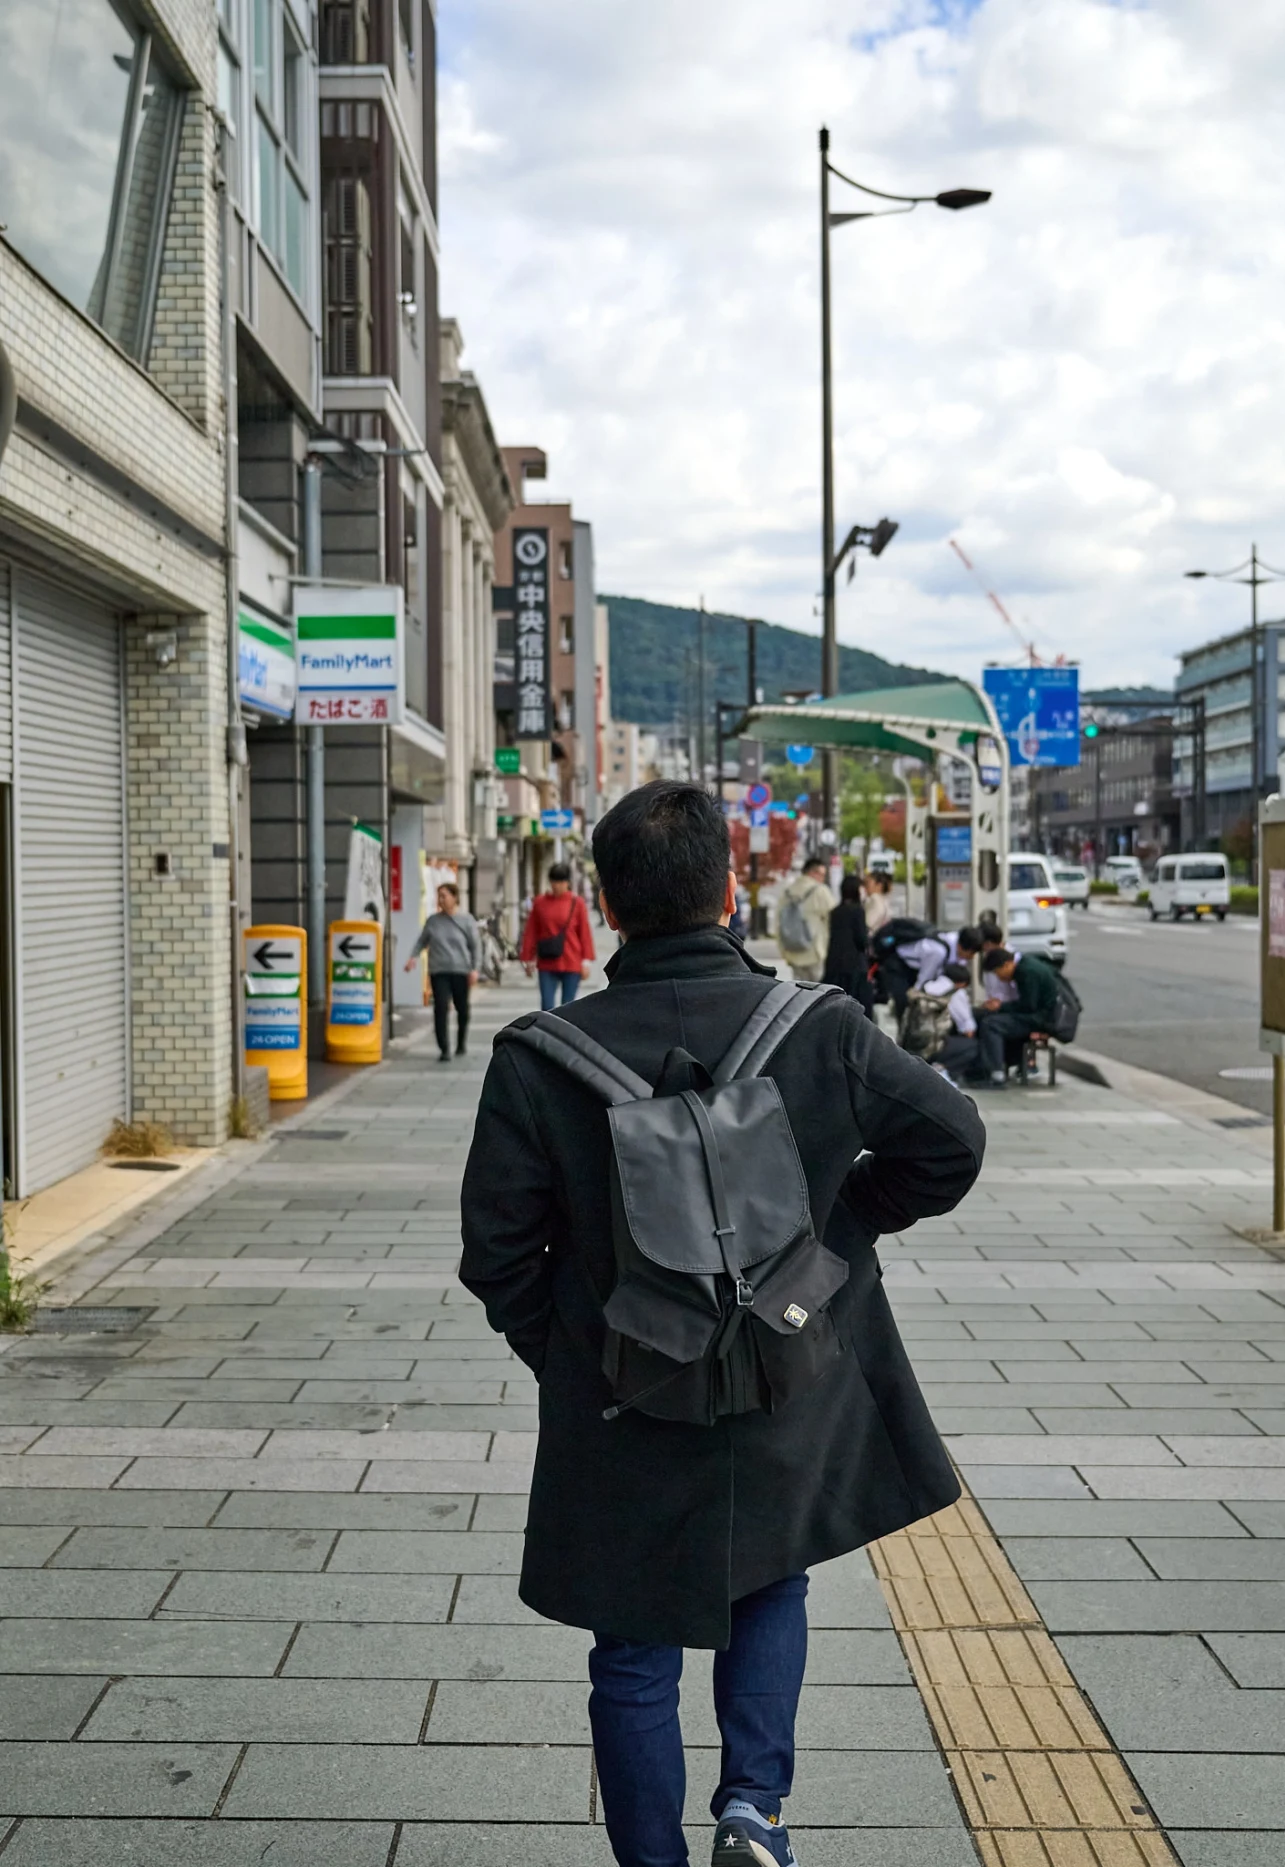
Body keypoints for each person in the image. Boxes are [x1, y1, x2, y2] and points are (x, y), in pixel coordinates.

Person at [459, 780, 985, 1867]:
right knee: (770, 1578)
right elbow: (951, 1141)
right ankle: (753, 1810)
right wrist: (831, 1240)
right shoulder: (819, 1026)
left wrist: (577, 1352)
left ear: (606, 904)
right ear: (730, 889)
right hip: (784, 1371)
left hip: (623, 1393)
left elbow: (497, 1256)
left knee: (632, 1648)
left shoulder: (535, 1061)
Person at [403, 881, 481, 1062]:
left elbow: (475, 946)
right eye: (439, 896)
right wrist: (412, 957)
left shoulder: (466, 920)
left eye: (444, 896)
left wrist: (475, 969)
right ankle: (444, 1047)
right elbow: (421, 941)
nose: (441, 900)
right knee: (440, 1007)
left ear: (455, 898)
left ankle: (461, 1043)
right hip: (439, 971)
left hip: (460, 970)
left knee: (462, 1008)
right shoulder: (433, 921)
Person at [977, 945, 1059, 1085]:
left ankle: (996, 1073)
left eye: (998, 972)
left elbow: (1028, 1006)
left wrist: (1000, 1006)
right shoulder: (1025, 965)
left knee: (991, 1025)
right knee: (987, 1017)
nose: (999, 977)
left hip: (1041, 1019)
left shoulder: (1026, 972)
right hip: (1037, 1014)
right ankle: (995, 1065)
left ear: (1007, 964)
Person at [521, 860, 596, 1009]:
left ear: (567, 882)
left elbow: (584, 933)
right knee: (547, 1007)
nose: (557, 885)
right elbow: (531, 932)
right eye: (554, 881)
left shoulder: (577, 903)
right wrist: (528, 959)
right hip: (547, 962)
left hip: (571, 961)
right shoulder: (540, 903)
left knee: (568, 1008)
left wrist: (586, 961)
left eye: (561, 881)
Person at [775, 855, 836, 981]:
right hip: (814, 950)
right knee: (818, 990)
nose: (823, 878)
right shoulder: (820, 891)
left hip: (792, 949)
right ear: (813, 872)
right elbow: (833, 918)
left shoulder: (787, 892)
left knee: (800, 989)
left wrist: (782, 947)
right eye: (821, 874)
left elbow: (778, 921)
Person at [822, 872, 873, 1015]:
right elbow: (861, 939)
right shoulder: (858, 911)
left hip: (835, 965)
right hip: (855, 965)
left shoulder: (835, 912)